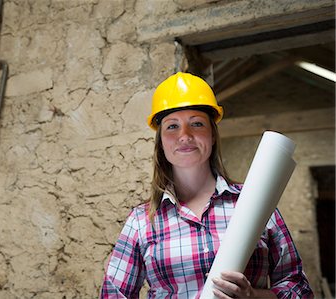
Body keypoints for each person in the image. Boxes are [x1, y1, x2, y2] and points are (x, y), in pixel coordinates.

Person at [100, 72, 314, 298]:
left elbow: (299, 288)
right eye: (172, 126)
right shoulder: (142, 221)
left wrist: (253, 296)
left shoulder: (256, 202)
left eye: (197, 123)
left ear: (212, 135)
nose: (185, 135)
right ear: (161, 142)